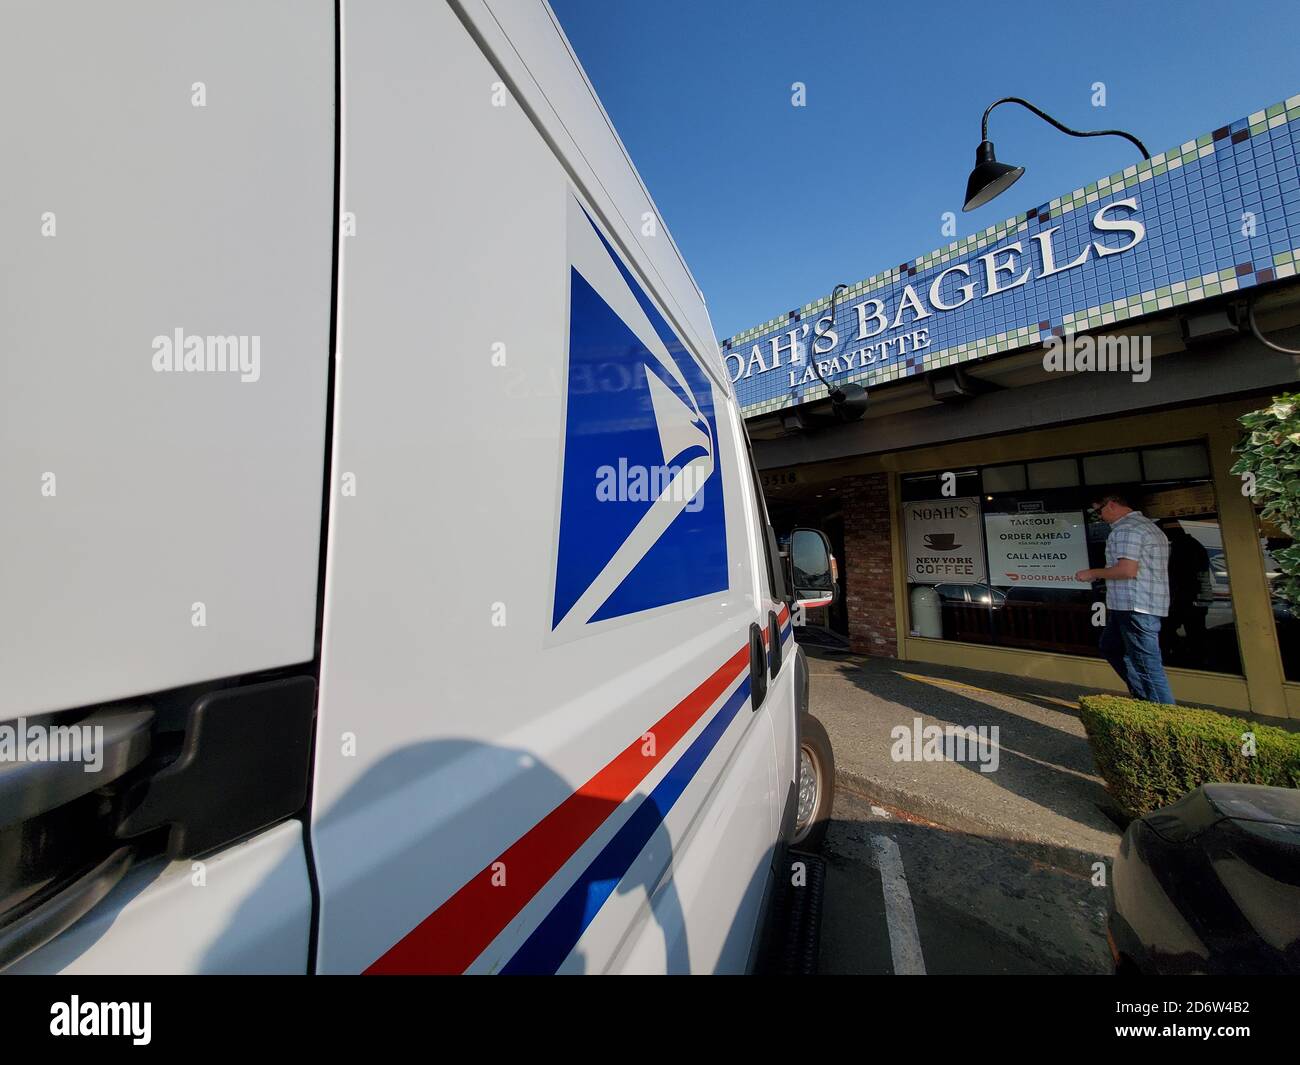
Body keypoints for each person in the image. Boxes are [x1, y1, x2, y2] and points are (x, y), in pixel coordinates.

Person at [1075, 491, 1176, 704]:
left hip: (1135, 604)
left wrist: (1092, 573)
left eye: (1099, 511)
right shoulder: (1149, 526)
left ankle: (1164, 714)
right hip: (1138, 603)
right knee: (1111, 647)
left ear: (1111, 505)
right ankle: (1142, 697)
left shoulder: (1126, 529)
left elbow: (1127, 570)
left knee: (1147, 664)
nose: (1099, 516)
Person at [1158, 519, 1212, 666]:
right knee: (1194, 631)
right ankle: (1195, 658)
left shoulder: (1184, 547)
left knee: (1170, 630)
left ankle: (1192, 658)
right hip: (1192, 597)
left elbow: (1180, 576)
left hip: (1187, 598)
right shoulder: (1191, 545)